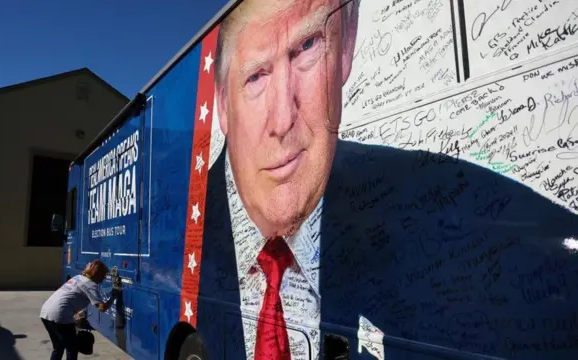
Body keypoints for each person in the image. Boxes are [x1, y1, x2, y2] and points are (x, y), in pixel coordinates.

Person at [196, 0, 578, 359]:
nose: (283, 120)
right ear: (224, 105)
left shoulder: (496, 235)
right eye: (256, 75)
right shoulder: (186, 236)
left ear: (346, 45)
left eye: (308, 46)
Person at [40, 260, 119, 360]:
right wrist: (113, 296)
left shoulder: (77, 278)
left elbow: (70, 296)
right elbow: (101, 307)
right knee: (72, 349)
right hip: (59, 316)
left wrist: (78, 312)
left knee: (58, 347)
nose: (103, 279)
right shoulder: (90, 285)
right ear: (97, 273)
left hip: (45, 312)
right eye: (103, 275)